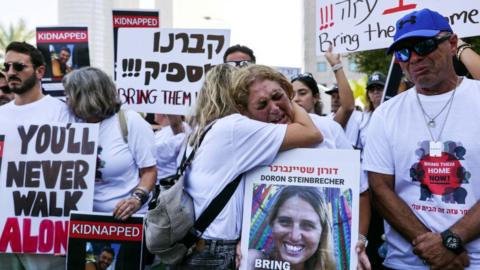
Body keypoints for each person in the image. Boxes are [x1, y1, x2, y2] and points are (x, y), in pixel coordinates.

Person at [364, 8, 480, 269]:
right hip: (406, 262)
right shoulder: (385, 115)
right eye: (403, 52)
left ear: (451, 44)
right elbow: (380, 188)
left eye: (424, 45)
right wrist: (431, 248)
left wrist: (451, 240)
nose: (414, 58)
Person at [179, 64, 322, 269]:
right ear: (237, 100)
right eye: (260, 101)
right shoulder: (234, 128)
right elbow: (311, 134)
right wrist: (285, 96)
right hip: (217, 254)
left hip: (206, 249)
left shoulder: (207, 131)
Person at [0, 41, 75, 270]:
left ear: (40, 71)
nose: (11, 72)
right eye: (8, 66)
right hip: (5, 230)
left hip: (47, 233)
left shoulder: (63, 112)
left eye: (19, 67)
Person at [63, 67, 157, 220]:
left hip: (124, 220)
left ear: (88, 97)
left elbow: (149, 171)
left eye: (70, 96)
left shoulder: (129, 121)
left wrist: (137, 199)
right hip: (81, 219)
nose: (66, 101)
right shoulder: (70, 122)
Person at [248, 186, 335, 270]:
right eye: (285, 222)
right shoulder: (254, 263)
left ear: (322, 233)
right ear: (272, 223)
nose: (294, 236)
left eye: (307, 225)